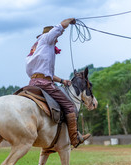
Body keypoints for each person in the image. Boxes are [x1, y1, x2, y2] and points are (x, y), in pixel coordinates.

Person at [26, 18, 90, 148]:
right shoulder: (46, 39)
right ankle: (74, 138)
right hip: (44, 83)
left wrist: (62, 81)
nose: (57, 40)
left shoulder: (37, 48)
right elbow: (60, 26)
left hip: (33, 82)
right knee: (69, 105)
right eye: (55, 37)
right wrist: (70, 20)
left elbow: (44, 73)